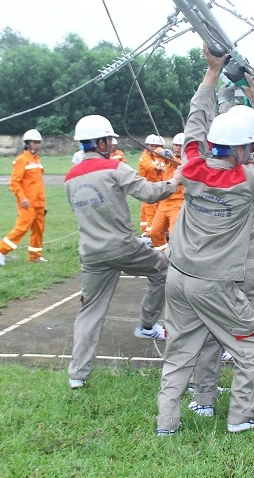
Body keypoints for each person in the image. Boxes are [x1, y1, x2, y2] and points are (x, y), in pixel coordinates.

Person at [155, 46, 254, 436]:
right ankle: (242, 417)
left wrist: (211, 73)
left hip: (178, 276)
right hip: (214, 282)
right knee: (251, 342)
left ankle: (167, 424)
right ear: (243, 149)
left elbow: (195, 122)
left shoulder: (191, 166)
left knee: (179, 352)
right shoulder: (246, 180)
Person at [65, 115, 182, 389]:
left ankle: (77, 375)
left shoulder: (70, 178)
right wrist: (176, 178)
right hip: (122, 247)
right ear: (100, 143)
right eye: (109, 140)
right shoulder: (114, 168)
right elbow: (151, 194)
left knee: (90, 311)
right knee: (164, 270)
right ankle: (147, 324)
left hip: (91, 254)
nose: (112, 145)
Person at [0, 129, 46, 266]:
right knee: (22, 228)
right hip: (27, 203)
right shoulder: (21, 160)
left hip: (39, 202)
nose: (37, 145)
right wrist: (22, 198)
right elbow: (15, 182)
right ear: (27, 143)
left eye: (39, 142)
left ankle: (35, 256)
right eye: (35, 142)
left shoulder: (36, 159)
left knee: (39, 229)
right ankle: (0, 250)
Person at [149, 133, 185, 251]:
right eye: (175, 145)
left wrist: (170, 156)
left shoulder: (186, 161)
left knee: (174, 234)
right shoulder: (169, 158)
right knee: (155, 232)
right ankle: (163, 255)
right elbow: (155, 151)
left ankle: (175, 256)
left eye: (180, 145)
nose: (178, 148)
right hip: (164, 202)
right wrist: (163, 151)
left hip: (178, 203)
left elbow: (176, 163)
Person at [137, 134, 167, 236]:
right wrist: (159, 168)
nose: (153, 148)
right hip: (148, 189)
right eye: (151, 145)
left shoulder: (160, 157)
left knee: (160, 211)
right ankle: (149, 234)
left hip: (159, 188)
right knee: (150, 212)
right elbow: (149, 166)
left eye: (156, 146)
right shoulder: (144, 157)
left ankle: (158, 231)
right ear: (146, 145)